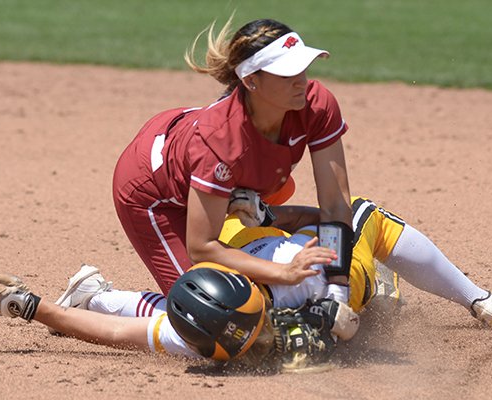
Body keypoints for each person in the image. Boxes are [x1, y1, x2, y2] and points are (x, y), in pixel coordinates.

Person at [0, 197, 492, 367]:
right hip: (241, 248)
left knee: (360, 220)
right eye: (255, 336)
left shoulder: (303, 279)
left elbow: (329, 222)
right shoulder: (197, 332)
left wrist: (339, 306)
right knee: (179, 301)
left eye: (257, 329)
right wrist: (30, 306)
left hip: (311, 266)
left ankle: (475, 298)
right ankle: (102, 289)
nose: (262, 340)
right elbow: (112, 337)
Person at [112, 17, 353, 296]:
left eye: (303, 68)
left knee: (338, 225)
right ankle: (98, 299)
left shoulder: (314, 104)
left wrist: (338, 289)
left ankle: (251, 210)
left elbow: (335, 205)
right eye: (288, 74)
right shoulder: (220, 141)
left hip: (201, 161)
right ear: (251, 81)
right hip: (153, 191)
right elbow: (202, 247)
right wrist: (283, 273)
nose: (302, 81)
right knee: (208, 310)